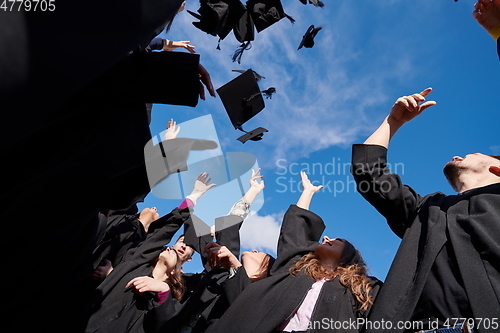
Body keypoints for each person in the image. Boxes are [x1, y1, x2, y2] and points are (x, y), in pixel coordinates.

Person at [351, 88, 500, 333]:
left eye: (474, 153)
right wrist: (394, 121)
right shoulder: (428, 209)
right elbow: (368, 171)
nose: (456, 155)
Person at [204, 172, 382, 333]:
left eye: (338, 241)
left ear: (349, 257)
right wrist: (307, 192)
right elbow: (295, 230)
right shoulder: (297, 272)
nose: (327, 238)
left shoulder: (360, 289)